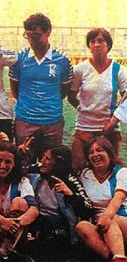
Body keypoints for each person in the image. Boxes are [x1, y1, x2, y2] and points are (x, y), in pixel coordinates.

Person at [9, 13, 73, 164]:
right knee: (24, 164)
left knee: (51, 165)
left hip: (52, 123)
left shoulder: (62, 60)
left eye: (36, 35)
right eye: (28, 36)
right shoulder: (19, 59)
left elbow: (63, 91)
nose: (32, 40)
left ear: (48, 32)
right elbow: (15, 89)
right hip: (25, 122)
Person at [68, 28, 127, 173]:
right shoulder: (80, 69)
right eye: (92, 41)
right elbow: (71, 96)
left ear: (108, 45)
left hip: (109, 129)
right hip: (84, 127)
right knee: (78, 167)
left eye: (100, 41)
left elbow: (126, 97)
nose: (96, 44)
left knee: (111, 169)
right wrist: (86, 110)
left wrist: (113, 121)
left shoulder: (118, 70)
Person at [76, 137, 127, 262]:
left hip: (121, 220)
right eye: (91, 152)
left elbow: (118, 199)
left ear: (110, 154)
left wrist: (106, 216)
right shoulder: (84, 174)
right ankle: (116, 260)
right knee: (82, 226)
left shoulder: (122, 172)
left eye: (100, 150)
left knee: (109, 219)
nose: (95, 154)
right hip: (101, 225)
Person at [27, 145, 93, 245]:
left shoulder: (70, 179)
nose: (42, 161)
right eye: (43, 156)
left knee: (57, 237)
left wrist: (70, 195)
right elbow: (16, 170)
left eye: (47, 158)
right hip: (37, 215)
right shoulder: (36, 169)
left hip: (58, 219)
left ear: (58, 163)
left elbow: (87, 207)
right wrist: (22, 155)